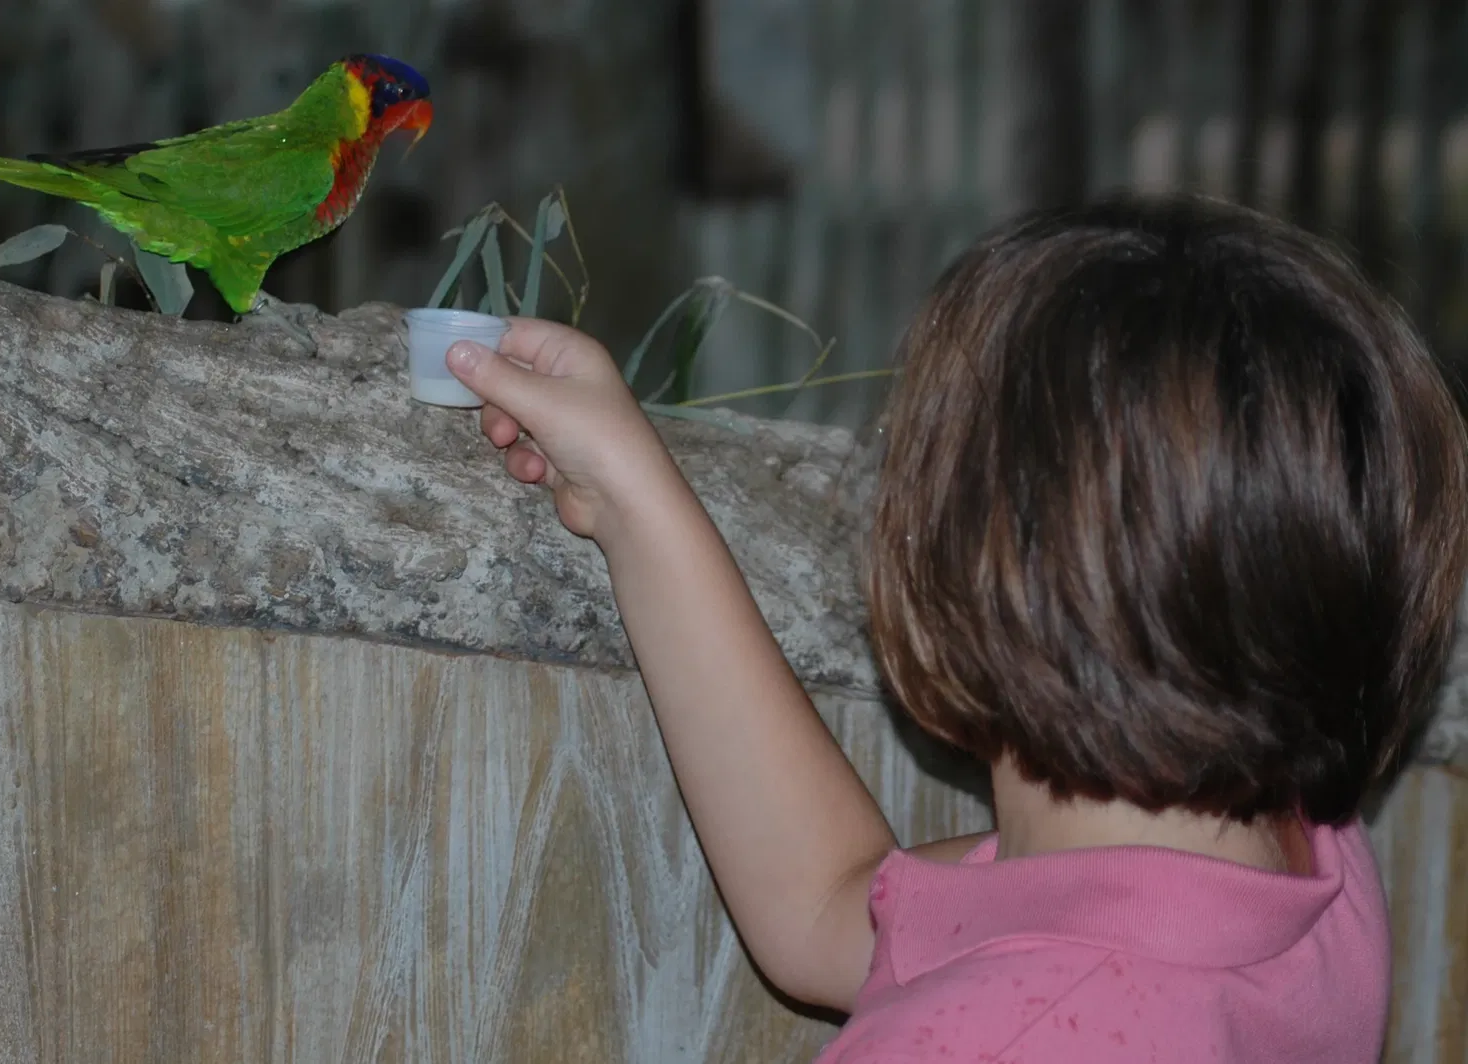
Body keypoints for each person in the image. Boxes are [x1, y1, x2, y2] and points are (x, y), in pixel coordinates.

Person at [442, 193, 1468, 1062]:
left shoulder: (997, 1035)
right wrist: (634, 498)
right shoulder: (1299, 869)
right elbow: (832, 910)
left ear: (963, 586)